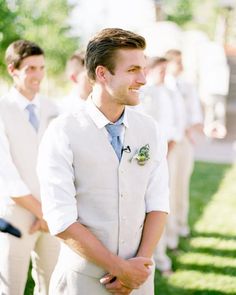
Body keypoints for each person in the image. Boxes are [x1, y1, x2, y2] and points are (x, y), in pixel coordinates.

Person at [37, 28, 170, 294]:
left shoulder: (150, 129)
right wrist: (119, 269)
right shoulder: (62, 131)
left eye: (143, 69)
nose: (143, 79)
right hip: (82, 282)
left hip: (139, 280)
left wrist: (136, 268)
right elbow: (60, 219)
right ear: (102, 73)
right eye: (133, 70)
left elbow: (157, 203)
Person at [0, 40, 60, 295]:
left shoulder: (52, 109)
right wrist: (41, 211)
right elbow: (5, 172)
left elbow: (61, 161)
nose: (38, 75)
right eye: (31, 69)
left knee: (53, 284)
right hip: (16, 211)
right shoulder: (2, 109)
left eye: (41, 68)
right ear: (13, 70)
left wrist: (50, 211)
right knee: (10, 285)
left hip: (52, 209)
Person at [140, 56, 179, 275]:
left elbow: (172, 123)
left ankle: (161, 254)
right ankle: (153, 256)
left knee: (162, 203)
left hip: (166, 154)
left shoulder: (167, 93)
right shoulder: (146, 95)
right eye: (160, 70)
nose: (164, 74)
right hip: (151, 157)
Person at [164, 49, 203, 249]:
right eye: (177, 62)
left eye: (181, 62)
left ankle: (181, 226)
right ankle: (169, 237)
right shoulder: (162, 87)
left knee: (183, 184)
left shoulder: (187, 86)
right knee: (169, 189)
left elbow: (194, 113)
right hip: (170, 143)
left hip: (185, 140)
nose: (181, 66)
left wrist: (192, 128)